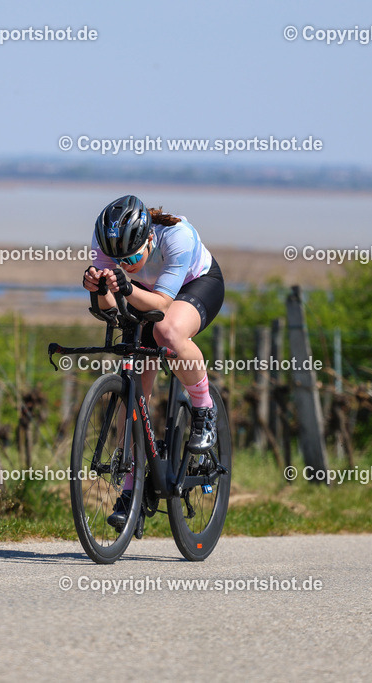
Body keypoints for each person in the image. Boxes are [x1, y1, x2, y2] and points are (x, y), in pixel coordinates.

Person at [82, 195, 225, 531]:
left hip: (195, 285)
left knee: (167, 332)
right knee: (133, 387)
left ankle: (204, 409)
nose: (126, 263)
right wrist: (97, 288)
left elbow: (161, 304)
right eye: (119, 259)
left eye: (133, 257)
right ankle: (132, 488)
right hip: (144, 291)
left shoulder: (177, 237)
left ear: (149, 239)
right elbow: (110, 308)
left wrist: (126, 287)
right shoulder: (106, 243)